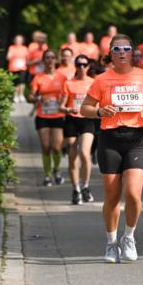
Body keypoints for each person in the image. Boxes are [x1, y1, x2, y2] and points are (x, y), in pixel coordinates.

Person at [80, 34, 143, 263]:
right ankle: (111, 242)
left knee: (134, 194)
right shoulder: (102, 79)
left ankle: (129, 237)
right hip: (110, 139)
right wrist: (98, 112)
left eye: (126, 48)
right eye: (117, 49)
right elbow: (85, 107)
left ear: (133, 52)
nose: (122, 52)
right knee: (112, 196)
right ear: (111, 53)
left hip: (136, 137)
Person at [28, 49, 67, 186]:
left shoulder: (62, 77)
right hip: (42, 115)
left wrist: (63, 101)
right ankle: (47, 174)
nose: (50, 60)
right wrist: (38, 98)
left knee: (56, 147)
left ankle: (56, 170)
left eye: (52, 57)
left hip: (58, 115)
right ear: (43, 61)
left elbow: (67, 94)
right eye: (47, 58)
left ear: (55, 60)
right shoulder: (38, 77)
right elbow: (30, 97)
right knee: (45, 146)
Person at [61, 55, 96, 205]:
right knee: (72, 155)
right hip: (72, 120)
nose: (81, 67)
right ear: (75, 66)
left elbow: (99, 103)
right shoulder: (69, 83)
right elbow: (60, 106)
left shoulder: (93, 83)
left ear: (88, 67)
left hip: (87, 120)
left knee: (84, 153)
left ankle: (86, 186)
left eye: (84, 64)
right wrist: (69, 109)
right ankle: (76, 189)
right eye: (78, 64)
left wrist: (96, 110)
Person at [6, 34, 28, 103]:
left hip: (22, 68)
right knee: (15, 82)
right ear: (14, 41)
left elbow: (28, 58)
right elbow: (8, 57)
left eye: (20, 40)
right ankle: (15, 95)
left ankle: (21, 94)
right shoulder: (12, 47)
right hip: (13, 68)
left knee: (21, 82)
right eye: (17, 40)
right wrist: (14, 55)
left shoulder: (24, 48)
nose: (18, 41)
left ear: (22, 41)